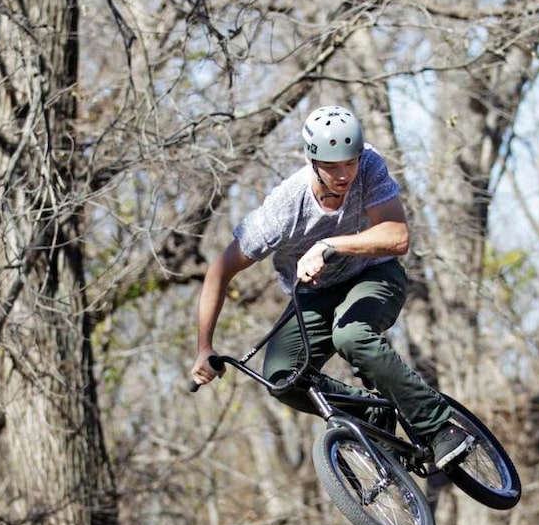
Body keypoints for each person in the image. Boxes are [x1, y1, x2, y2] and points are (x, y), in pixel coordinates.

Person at [190, 104, 474, 470]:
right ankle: (372, 416)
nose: (344, 175)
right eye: (332, 166)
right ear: (312, 161)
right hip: (314, 295)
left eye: (349, 162)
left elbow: (398, 237)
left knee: (351, 335)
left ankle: (438, 427)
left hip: (375, 274)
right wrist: (204, 348)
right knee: (281, 378)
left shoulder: (369, 166)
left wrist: (331, 245)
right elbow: (219, 271)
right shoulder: (282, 211)